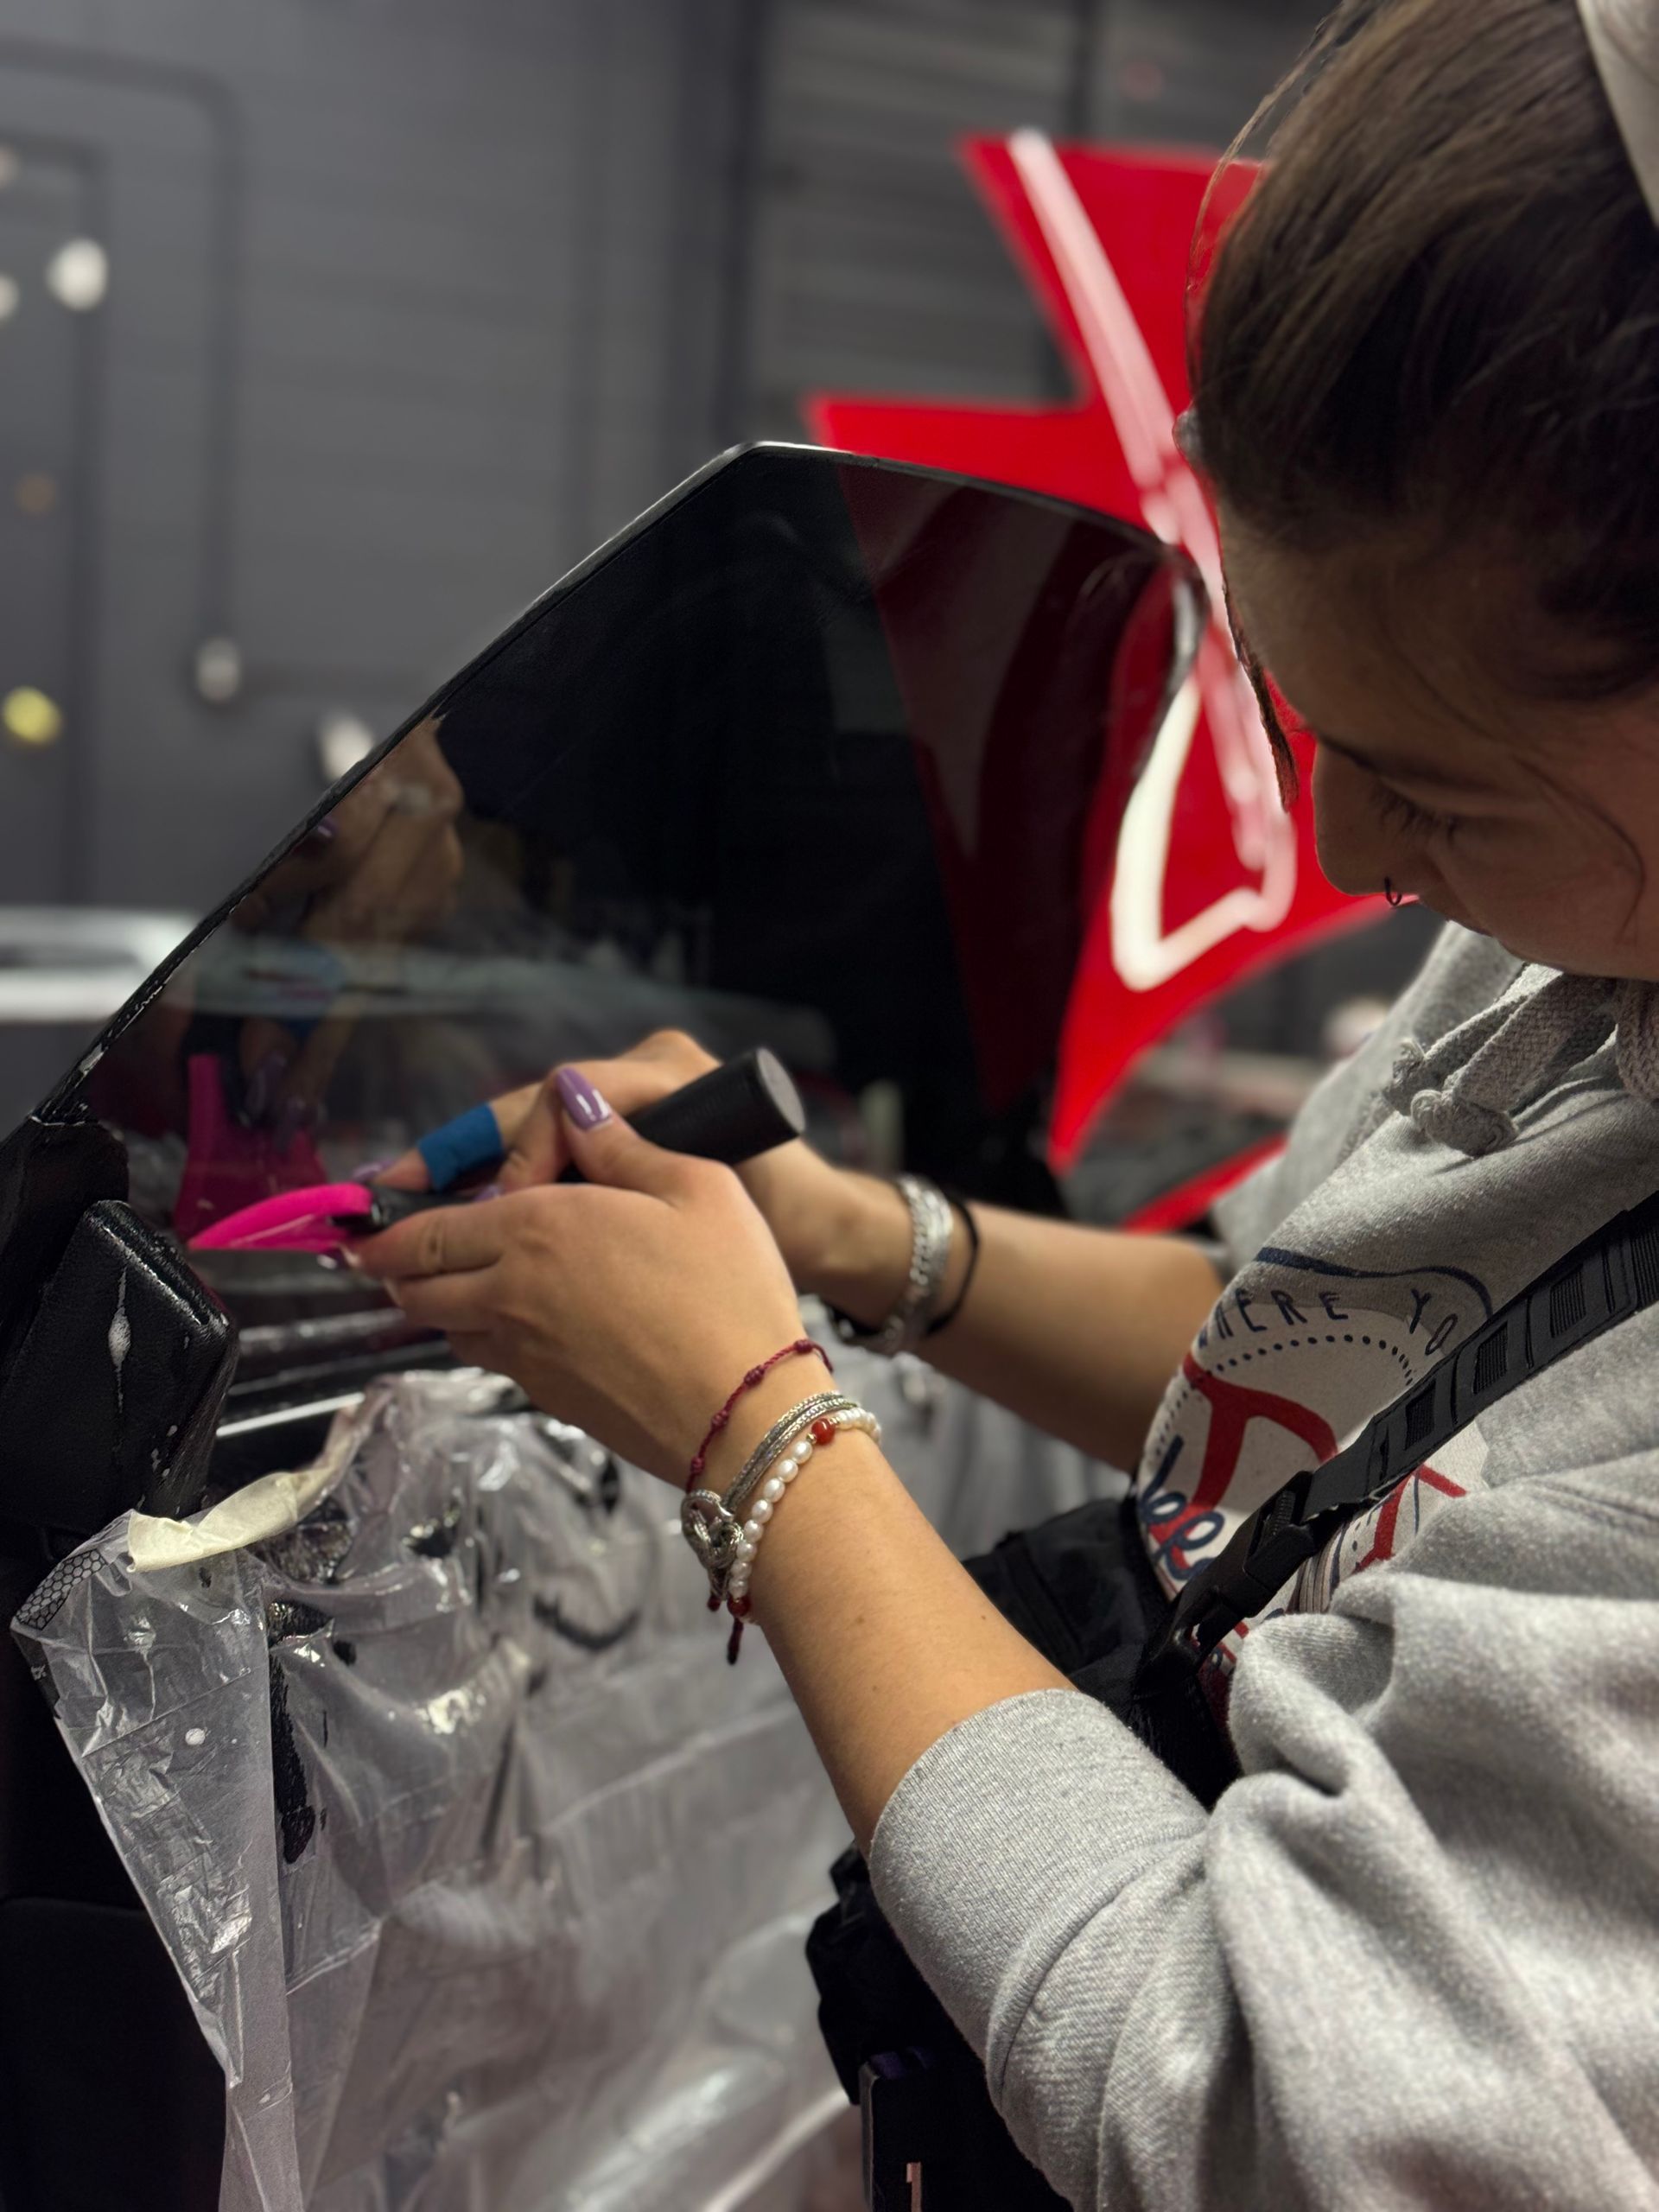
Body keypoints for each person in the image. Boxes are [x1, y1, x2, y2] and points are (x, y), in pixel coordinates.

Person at [356, 0, 1659, 2201]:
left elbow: (1266, 2107)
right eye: (1290, 703)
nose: (1351, 850)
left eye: (1437, 781)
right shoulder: (1579, 943)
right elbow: (1354, 1396)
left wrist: (765, 1436)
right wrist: (873, 1241)